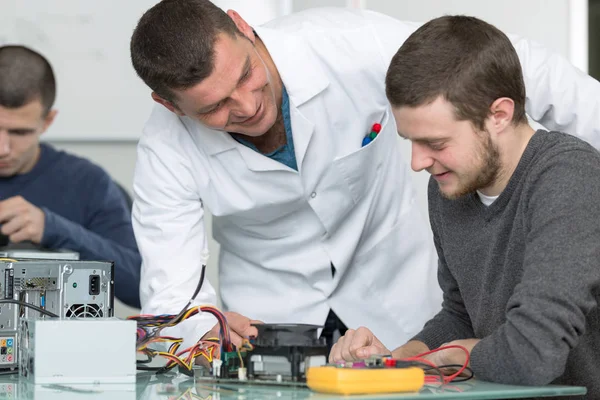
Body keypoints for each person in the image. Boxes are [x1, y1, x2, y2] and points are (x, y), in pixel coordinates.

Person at [129, 0, 600, 351]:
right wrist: (203, 327)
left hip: (402, 307)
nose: (248, 106)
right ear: (170, 106)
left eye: (246, 75)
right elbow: (172, 294)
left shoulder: (343, 42)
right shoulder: (165, 147)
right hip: (272, 324)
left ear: (242, 25)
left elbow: (510, 65)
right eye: (215, 107)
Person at [329, 15, 600, 396]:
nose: (418, 162)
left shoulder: (569, 175)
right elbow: (462, 315)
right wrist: (400, 358)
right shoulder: (450, 185)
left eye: (436, 144)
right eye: (411, 141)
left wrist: (449, 358)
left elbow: (532, 354)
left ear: (499, 115)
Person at [0, 45, 142, 308]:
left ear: (47, 121)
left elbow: (140, 287)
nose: (3, 149)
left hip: (57, 347)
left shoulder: (87, 183)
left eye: (19, 133)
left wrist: (52, 229)